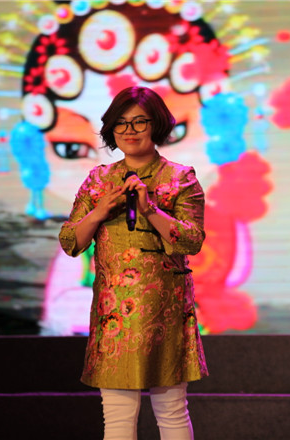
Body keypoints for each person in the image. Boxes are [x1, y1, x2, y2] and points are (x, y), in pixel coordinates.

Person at [59, 86, 208, 440]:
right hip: (114, 316)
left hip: (164, 312)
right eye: (121, 123)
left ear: (157, 125)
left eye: (139, 122)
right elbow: (70, 242)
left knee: (171, 412)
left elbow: (191, 241)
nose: (129, 130)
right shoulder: (98, 180)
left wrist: (150, 209)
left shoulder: (181, 178)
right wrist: (99, 212)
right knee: (117, 417)